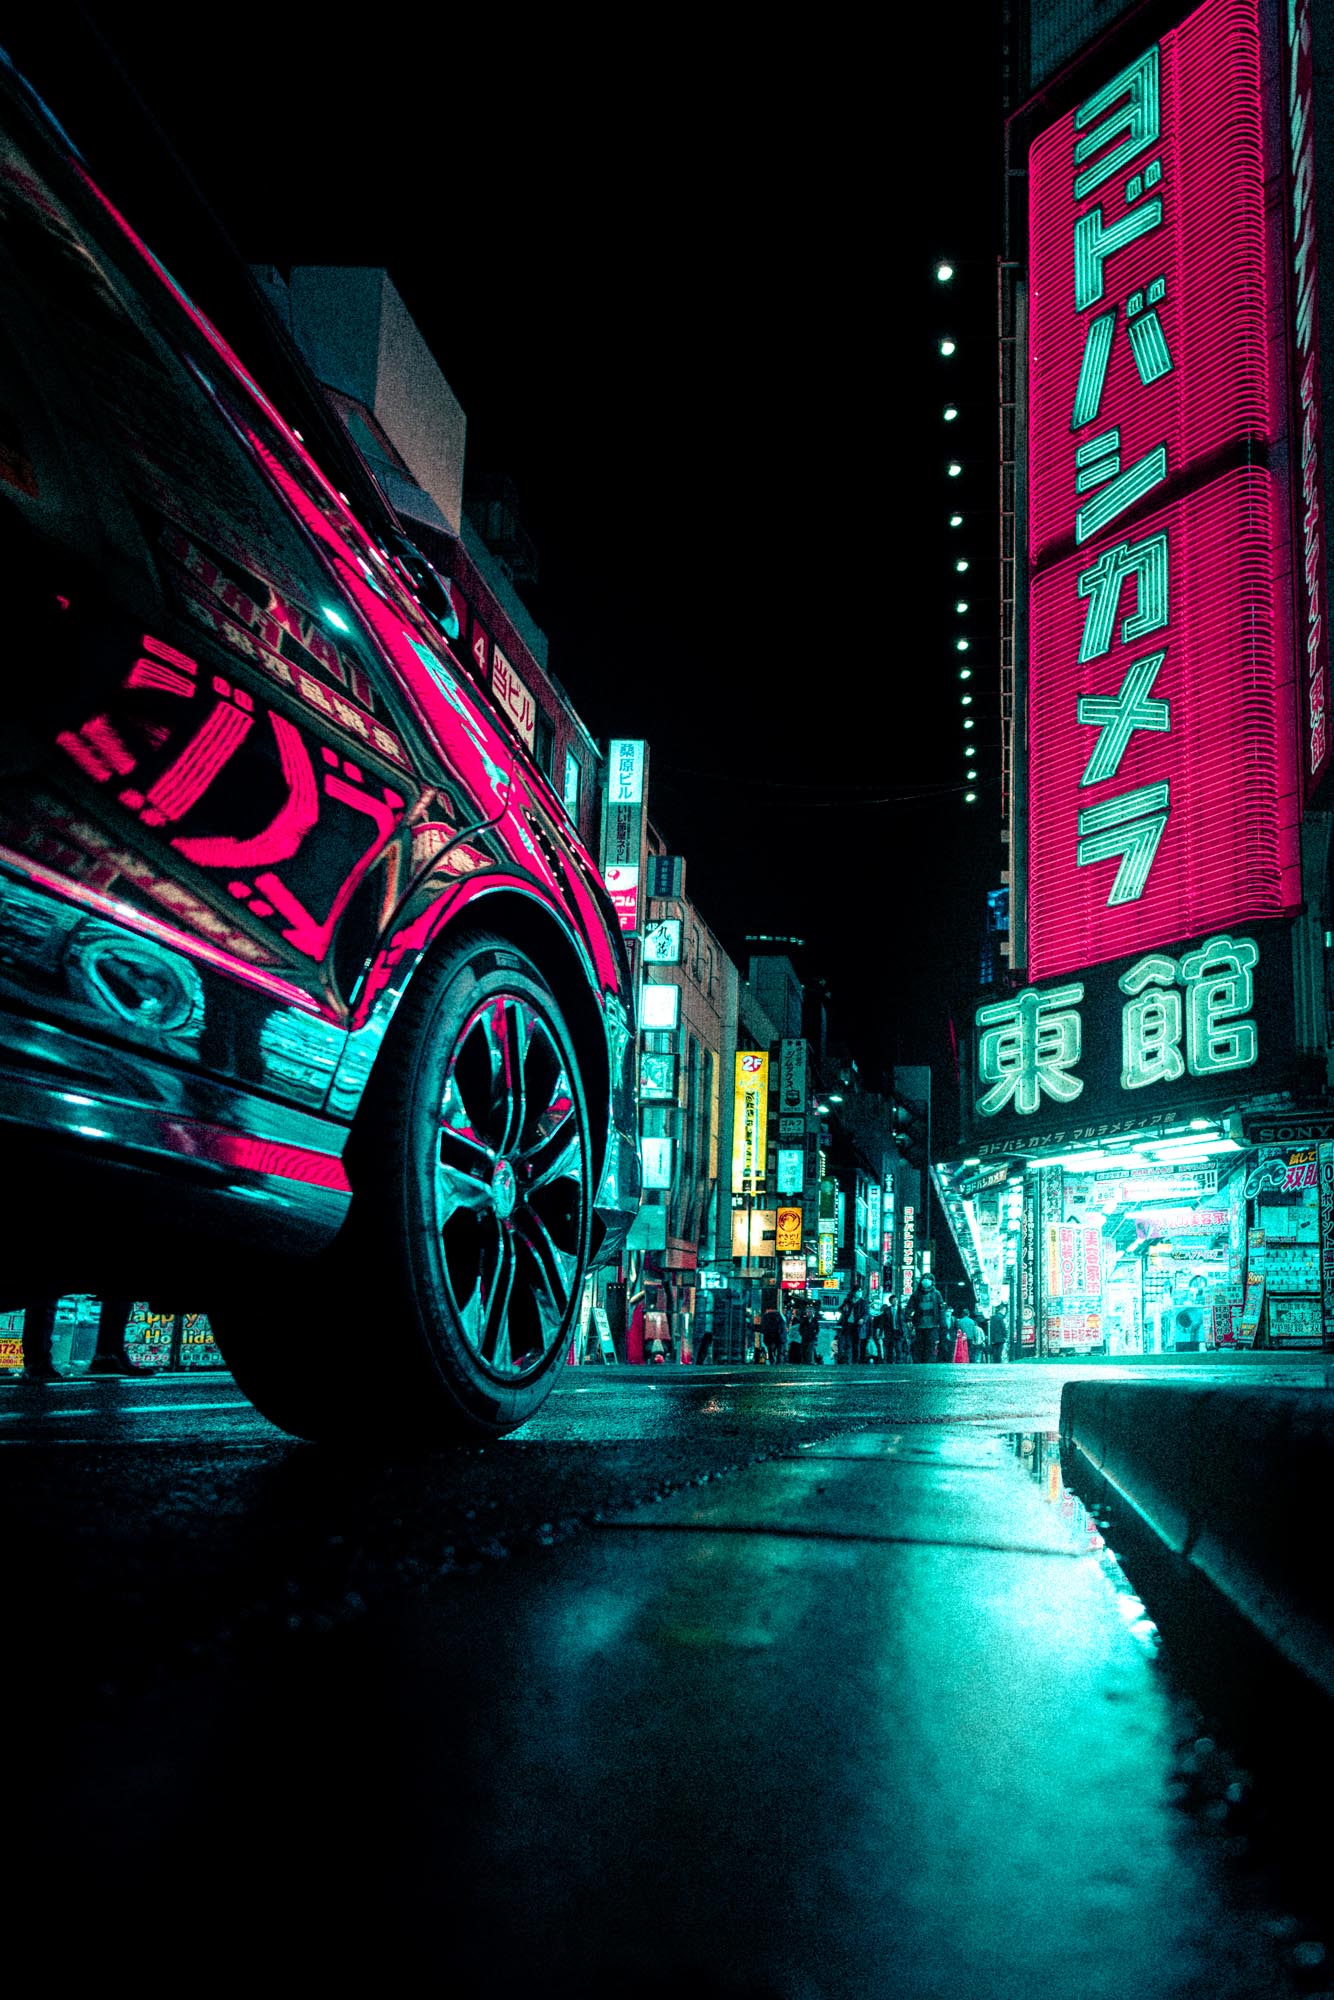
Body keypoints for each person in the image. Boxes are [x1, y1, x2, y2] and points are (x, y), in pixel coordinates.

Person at [906, 1274, 946, 1363]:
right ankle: (920, 1363)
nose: (926, 1281)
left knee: (931, 1345)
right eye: (924, 1279)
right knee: (919, 1345)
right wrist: (909, 1318)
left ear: (932, 1282)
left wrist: (942, 1323)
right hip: (919, 1324)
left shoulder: (936, 1294)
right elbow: (910, 1307)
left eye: (928, 1279)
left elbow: (941, 1309)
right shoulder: (916, 1294)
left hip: (933, 1325)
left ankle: (929, 1363)